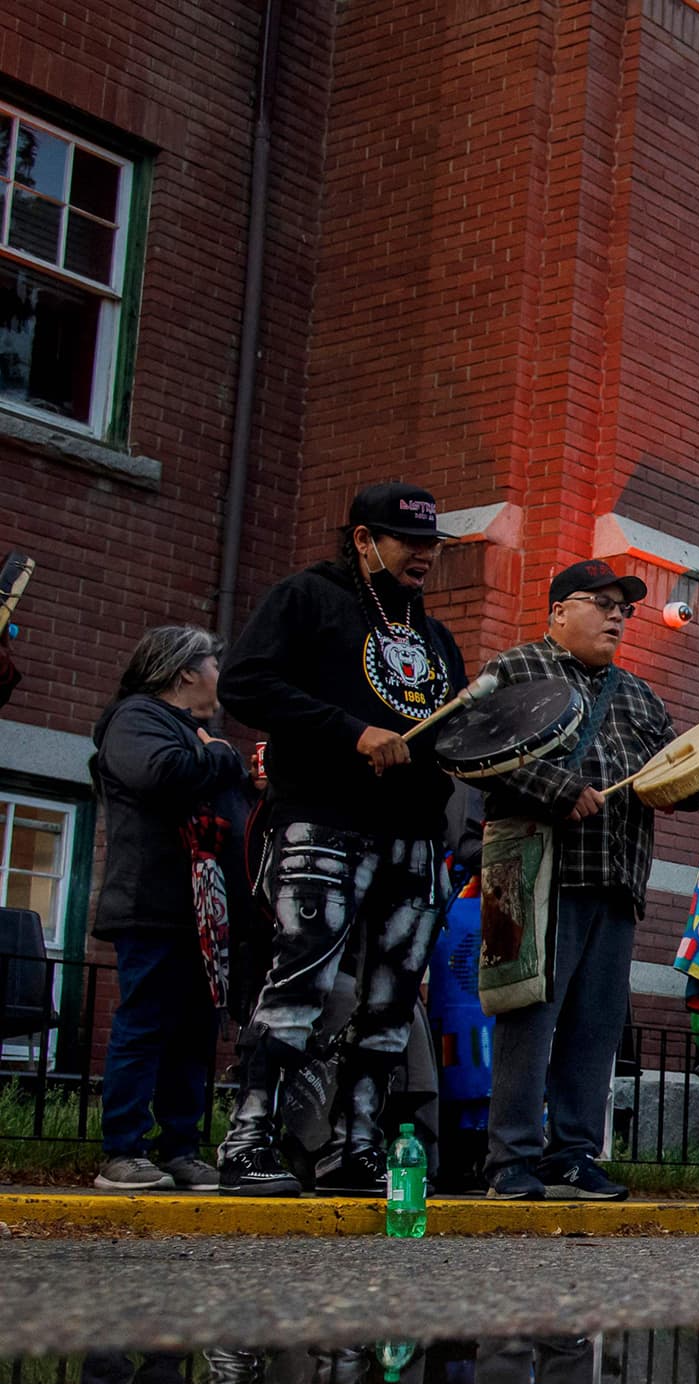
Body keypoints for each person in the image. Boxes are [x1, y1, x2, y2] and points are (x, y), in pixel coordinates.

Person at [214, 482, 464, 1196]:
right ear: (362, 539)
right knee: (299, 983)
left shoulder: (435, 637)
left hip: (413, 837)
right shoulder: (309, 598)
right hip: (324, 822)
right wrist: (352, 732)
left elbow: (452, 733)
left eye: (431, 544)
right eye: (408, 541)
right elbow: (245, 681)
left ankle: (356, 1148)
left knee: (390, 1003)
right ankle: (248, 1141)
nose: (424, 556)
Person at [476, 559, 679, 1200]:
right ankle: (510, 1159)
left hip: (616, 879)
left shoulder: (641, 694)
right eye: (602, 602)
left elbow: (675, 771)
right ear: (559, 611)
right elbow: (465, 748)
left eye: (626, 607)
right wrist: (557, 789)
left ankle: (572, 1155)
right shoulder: (514, 668)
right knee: (527, 1016)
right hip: (534, 872)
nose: (618, 615)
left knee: (594, 1027)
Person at [89, 626, 249, 1191]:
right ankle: (122, 1150)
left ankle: (180, 1146)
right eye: (212, 665)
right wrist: (222, 760)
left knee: (194, 1031)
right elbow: (159, 774)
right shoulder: (135, 718)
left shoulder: (199, 734)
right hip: (153, 902)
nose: (218, 679)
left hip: (202, 913)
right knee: (146, 1023)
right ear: (185, 672)